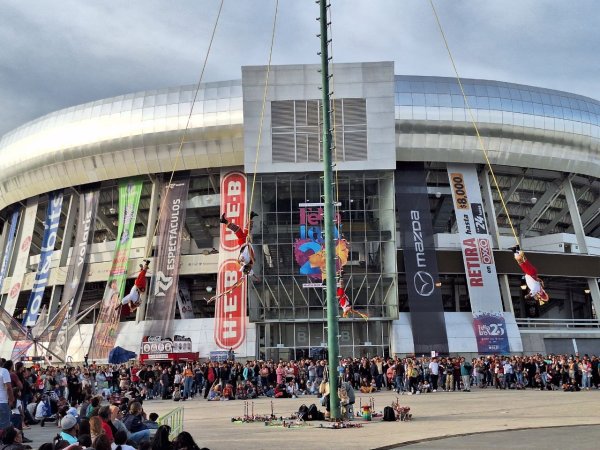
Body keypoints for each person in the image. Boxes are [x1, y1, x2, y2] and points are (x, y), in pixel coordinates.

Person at [219, 212, 258, 277]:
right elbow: (251, 271)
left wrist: (241, 261)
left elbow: (239, 261)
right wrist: (255, 277)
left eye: (249, 268)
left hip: (243, 243)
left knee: (238, 230)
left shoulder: (245, 262)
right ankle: (251, 216)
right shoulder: (251, 262)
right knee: (246, 230)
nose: (251, 267)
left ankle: (224, 221)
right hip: (246, 244)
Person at [1, 361, 14, 430]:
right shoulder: (4, 371)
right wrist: (11, 399)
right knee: (4, 425)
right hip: (2, 401)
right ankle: (4, 439)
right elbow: (8, 387)